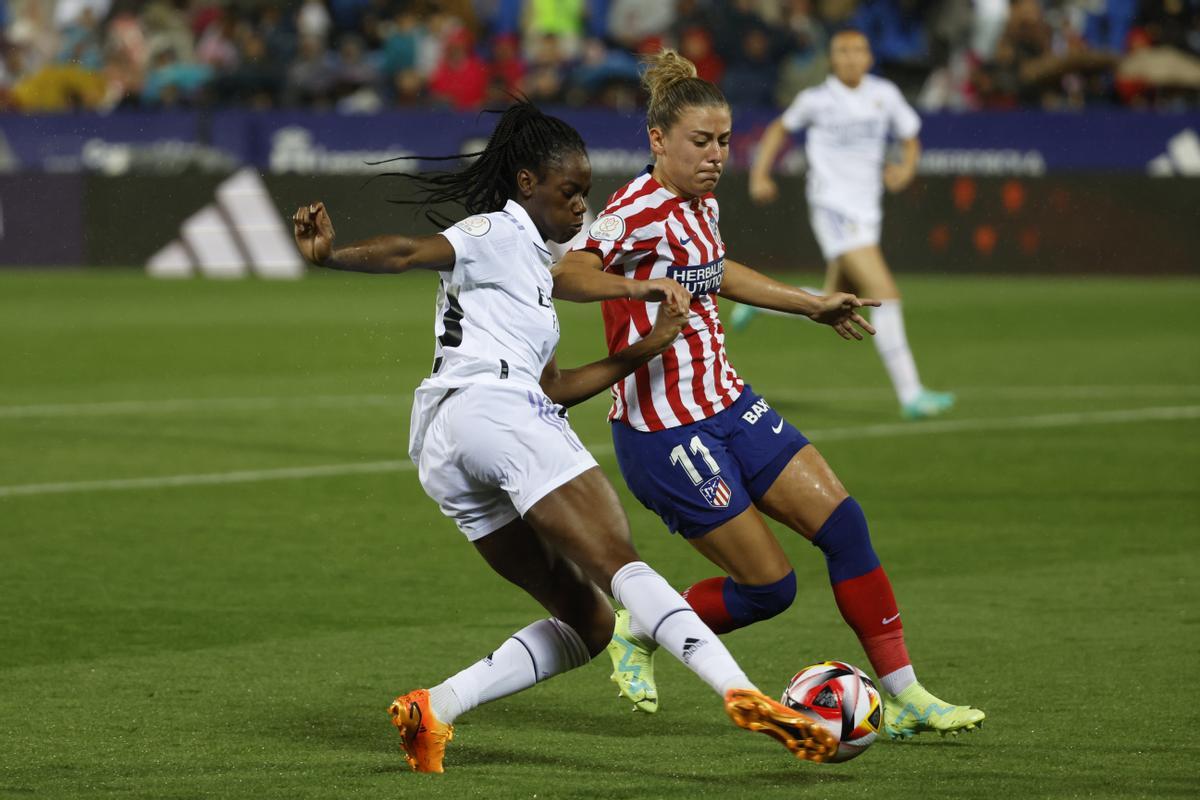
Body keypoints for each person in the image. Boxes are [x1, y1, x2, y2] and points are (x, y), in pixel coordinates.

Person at [291, 101, 840, 773]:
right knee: (621, 562)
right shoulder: (496, 229)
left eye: (585, 193)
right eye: (569, 192)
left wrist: (647, 348)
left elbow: (552, 388)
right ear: (527, 183)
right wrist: (330, 257)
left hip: (448, 442)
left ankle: (432, 708)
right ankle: (742, 692)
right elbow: (409, 251)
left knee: (590, 620)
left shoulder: (529, 262)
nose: (581, 207)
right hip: (494, 411)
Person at [551, 50, 985, 739]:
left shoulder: (702, 202)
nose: (716, 155)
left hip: (728, 402)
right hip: (666, 434)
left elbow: (715, 269)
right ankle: (641, 629)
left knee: (846, 527)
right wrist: (642, 288)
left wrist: (808, 304)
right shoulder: (631, 212)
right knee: (769, 589)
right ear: (657, 140)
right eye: (701, 141)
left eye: (724, 141)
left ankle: (905, 695)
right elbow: (568, 272)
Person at [739, 29, 956, 421]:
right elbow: (778, 130)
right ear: (832, 60)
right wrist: (760, 175)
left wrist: (905, 170)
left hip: (867, 211)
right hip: (832, 206)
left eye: (859, 50)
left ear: (869, 58)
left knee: (834, 298)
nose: (852, 57)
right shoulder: (817, 100)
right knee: (885, 292)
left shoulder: (884, 95)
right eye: (843, 51)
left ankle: (764, 303)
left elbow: (910, 138)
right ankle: (911, 394)